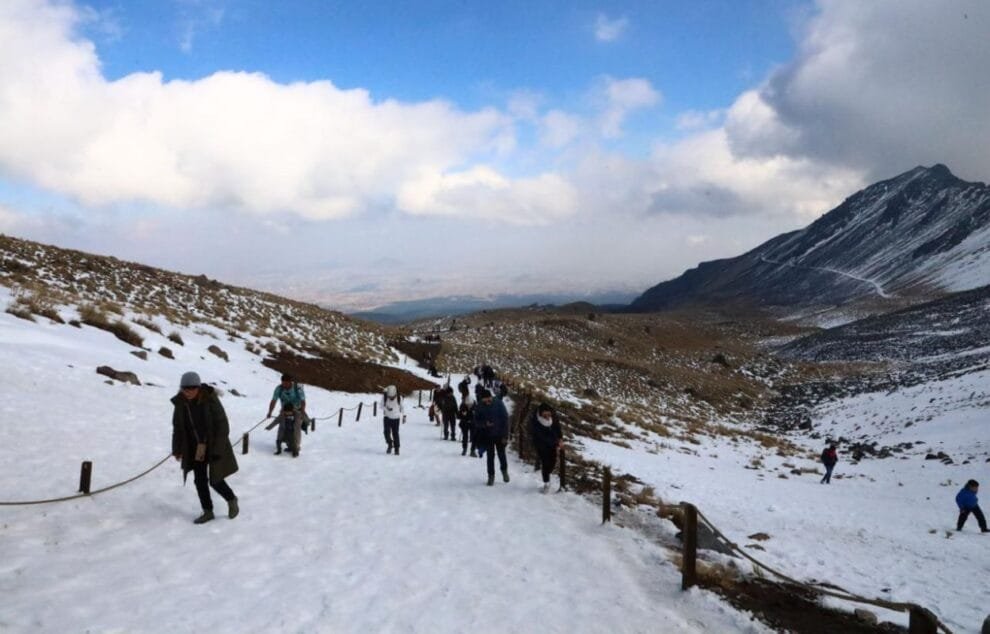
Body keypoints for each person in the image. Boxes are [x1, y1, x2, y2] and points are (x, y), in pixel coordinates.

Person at [171, 371, 239, 524]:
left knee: (215, 480)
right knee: (199, 480)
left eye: (192, 388)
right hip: (195, 448)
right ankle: (208, 511)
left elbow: (223, 425)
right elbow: (177, 427)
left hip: (214, 445)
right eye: (185, 388)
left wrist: (217, 449)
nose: (188, 391)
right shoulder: (180, 403)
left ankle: (232, 499)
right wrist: (177, 448)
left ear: (198, 387)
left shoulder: (210, 400)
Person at [265, 373, 309, 457]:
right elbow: (273, 400)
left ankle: (296, 446)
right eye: (283, 383)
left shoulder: (297, 388)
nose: (284, 385)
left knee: (296, 428)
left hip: (297, 410)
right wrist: (270, 412)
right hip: (285, 410)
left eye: (286, 383)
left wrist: (302, 411)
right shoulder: (279, 389)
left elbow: (303, 400)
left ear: (290, 382)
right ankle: (288, 444)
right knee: (283, 427)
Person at [473, 389, 509, 486]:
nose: (487, 401)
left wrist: (505, 435)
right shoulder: (479, 406)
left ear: (491, 397)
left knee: (502, 454)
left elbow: (505, 419)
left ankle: (504, 470)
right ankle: (491, 476)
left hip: (500, 434)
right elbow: (476, 421)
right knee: (490, 457)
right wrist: (485, 424)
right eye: (485, 400)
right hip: (487, 435)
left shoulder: (499, 403)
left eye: (488, 399)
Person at [530, 403, 563, 493]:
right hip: (540, 444)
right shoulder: (535, 421)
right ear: (541, 413)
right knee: (545, 462)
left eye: (549, 414)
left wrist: (560, 439)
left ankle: (547, 474)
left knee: (553, 462)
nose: (548, 416)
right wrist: (554, 441)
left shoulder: (554, 417)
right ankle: (546, 483)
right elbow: (539, 435)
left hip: (553, 443)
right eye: (545, 414)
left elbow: (557, 427)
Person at [382, 385, 405, 455]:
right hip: (387, 417)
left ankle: (397, 448)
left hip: (396, 418)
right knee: (386, 432)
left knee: (395, 433)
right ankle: (389, 444)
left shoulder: (399, 398)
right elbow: (381, 405)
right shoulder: (385, 397)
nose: (391, 398)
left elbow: (402, 408)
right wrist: (386, 409)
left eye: (392, 397)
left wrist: (404, 416)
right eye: (390, 397)